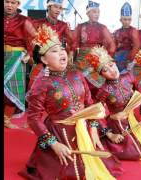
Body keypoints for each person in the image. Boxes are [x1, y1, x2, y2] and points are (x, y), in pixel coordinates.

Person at [18, 25, 122, 179]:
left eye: (61, 49)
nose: (61, 53)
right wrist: (54, 144)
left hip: (83, 131)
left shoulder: (77, 75)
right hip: (59, 134)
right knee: (70, 172)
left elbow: (90, 104)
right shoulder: (41, 83)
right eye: (54, 51)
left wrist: (93, 129)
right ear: (44, 59)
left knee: (100, 166)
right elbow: (33, 118)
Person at [83, 46, 141, 161]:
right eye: (105, 70)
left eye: (111, 65)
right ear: (101, 75)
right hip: (117, 124)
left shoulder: (129, 76)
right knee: (138, 152)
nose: (112, 71)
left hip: (131, 120)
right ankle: (110, 141)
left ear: (115, 63)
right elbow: (97, 113)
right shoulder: (104, 90)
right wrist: (110, 134)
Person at [4, 0, 37, 128]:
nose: (9, 5)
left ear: (18, 5)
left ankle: (6, 119)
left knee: (13, 88)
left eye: (13, 3)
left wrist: (29, 53)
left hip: (17, 57)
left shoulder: (24, 20)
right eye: (7, 2)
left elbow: (36, 38)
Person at [28, 0, 74, 90]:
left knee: (58, 88)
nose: (58, 10)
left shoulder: (63, 25)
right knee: (36, 86)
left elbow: (72, 43)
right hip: (42, 59)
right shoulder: (37, 23)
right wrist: (30, 57)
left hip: (57, 60)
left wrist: (69, 57)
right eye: (55, 7)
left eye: (60, 8)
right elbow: (30, 41)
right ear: (49, 7)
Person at [73, 0, 116, 88]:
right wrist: (71, 57)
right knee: (77, 81)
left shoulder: (102, 27)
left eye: (98, 12)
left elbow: (112, 45)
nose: (97, 14)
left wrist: (107, 59)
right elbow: (74, 43)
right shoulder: (80, 26)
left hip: (97, 58)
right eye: (94, 12)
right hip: (81, 59)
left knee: (98, 82)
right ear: (88, 13)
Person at [113, 2, 140, 73]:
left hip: (130, 57)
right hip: (117, 58)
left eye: (129, 19)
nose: (127, 22)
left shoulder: (133, 30)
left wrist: (130, 59)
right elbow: (113, 47)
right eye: (125, 19)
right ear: (120, 20)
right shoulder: (116, 32)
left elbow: (137, 46)